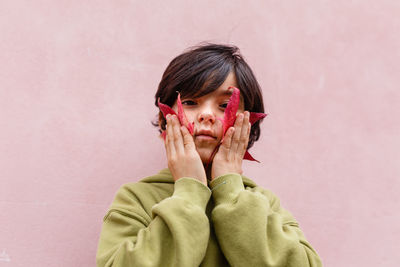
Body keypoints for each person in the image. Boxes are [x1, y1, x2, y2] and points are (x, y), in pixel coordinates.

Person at [96, 43, 322, 267]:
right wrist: (190, 190)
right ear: (166, 118)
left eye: (225, 105)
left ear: (248, 124)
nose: (206, 115)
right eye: (190, 102)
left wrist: (231, 189)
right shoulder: (135, 200)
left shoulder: (265, 203)